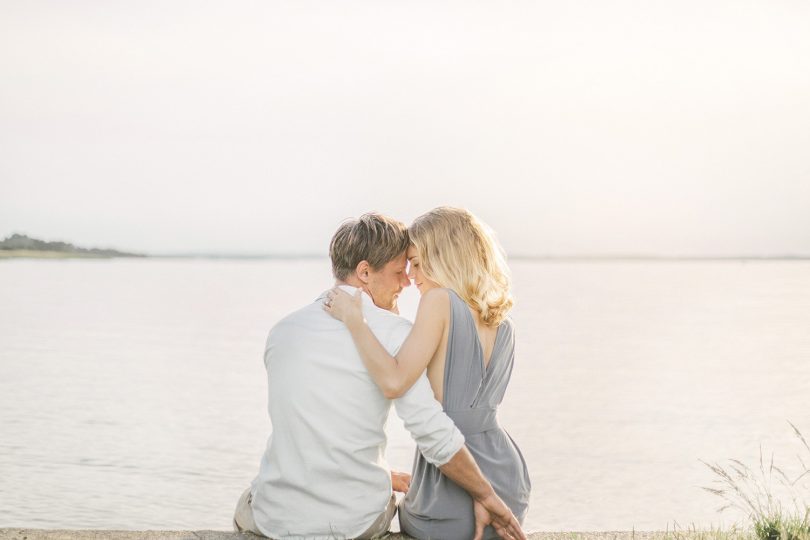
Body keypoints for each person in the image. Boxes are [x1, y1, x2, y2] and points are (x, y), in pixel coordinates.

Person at [234, 212, 526, 540]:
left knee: (248, 502)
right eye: (399, 271)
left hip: (277, 517)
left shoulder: (282, 331)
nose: (406, 282)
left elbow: (314, 428)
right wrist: (486, 494)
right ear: (364, 272)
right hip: (356, 523)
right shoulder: (398, 331)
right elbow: (433, 431)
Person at [324, 207, 531, 540]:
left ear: (445, 258)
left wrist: (355, 320)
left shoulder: (438, 301)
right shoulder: (502, 320)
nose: (412, 277)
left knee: (393, 508)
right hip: (508, 482)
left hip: (449, 489)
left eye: (418, 263)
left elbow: (394, 380)